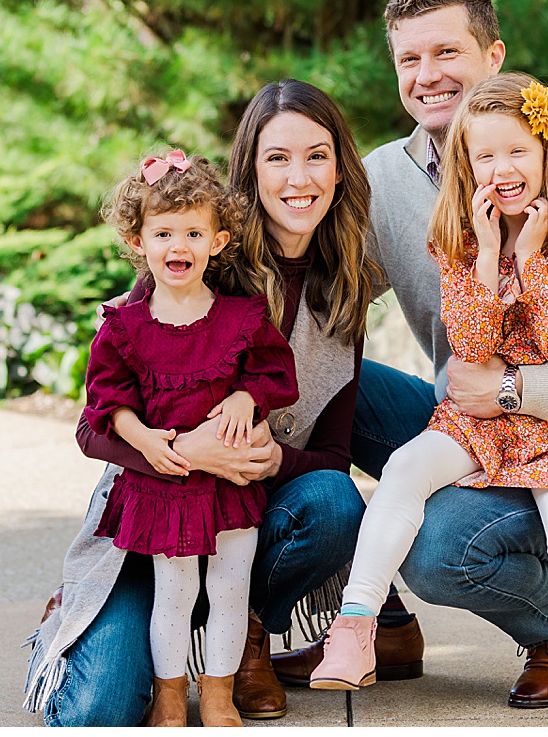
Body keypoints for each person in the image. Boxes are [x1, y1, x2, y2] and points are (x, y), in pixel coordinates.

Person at [281, 0, 548, 709]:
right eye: (410, 59)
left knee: (439, 549)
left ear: (495, 55)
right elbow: (317, 304)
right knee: (320, 378)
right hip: (472, 425)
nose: (428, 75)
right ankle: (379, 624)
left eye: (448, 50)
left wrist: (520, 388)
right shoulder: (387, 177)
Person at [24, 80, 387, 725]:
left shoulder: (343, 291)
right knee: (95, 713)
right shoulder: (190, 260)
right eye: (277, 157)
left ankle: (244, 633)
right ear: (249, 168)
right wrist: (177, 448)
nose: (298, 176)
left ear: (340, 168)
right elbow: (95, 426)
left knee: (335, 504)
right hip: (151, 509)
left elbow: (331, 453)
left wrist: (263, 460)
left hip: (247, 510)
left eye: (317, 155)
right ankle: (77, 619)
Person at [309, 73, 548, 727]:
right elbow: (471, 345)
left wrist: (527, 258)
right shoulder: (455, 237)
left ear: (546, 153)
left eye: (517, 152)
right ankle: (356, 625)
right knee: (404, 468)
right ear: (465, 165)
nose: (503, 170)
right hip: (476, 418)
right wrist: (485, 259)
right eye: (485, 156)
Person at [80, 151, 299, 727]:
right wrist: (146, 439)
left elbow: (278, 375)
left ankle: (221, 696)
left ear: (219, 240)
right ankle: (172, 699)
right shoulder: (124, 326)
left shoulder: (241, 317)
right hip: (165, 486)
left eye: (194, 232)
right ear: (138, 239)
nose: (179, 245)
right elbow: (106, 402)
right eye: (164, 233)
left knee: (230, 590)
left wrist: (245, 396)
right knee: (173, 594)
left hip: (229, 486)